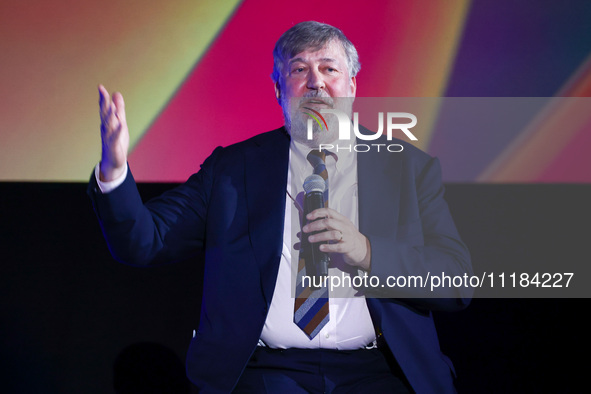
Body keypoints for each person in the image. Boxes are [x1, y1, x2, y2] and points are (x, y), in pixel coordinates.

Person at [89, 21, 472, 393]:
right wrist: (115, 169)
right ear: (278, 89)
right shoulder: (232, 170)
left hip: (378, 369)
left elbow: (455, 282)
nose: (315, 82)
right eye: (300, 69)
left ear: (351, 86)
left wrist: (367, 252)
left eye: (329, 68)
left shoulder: (407, 167)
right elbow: (144, 241)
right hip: (268, 370)